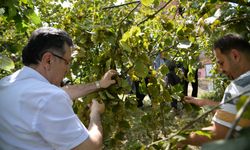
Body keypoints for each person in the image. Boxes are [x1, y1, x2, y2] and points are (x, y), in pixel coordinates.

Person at [0, 27, 118, 150]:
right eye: (66, 62)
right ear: (48, 60)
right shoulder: (49, 97)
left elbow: (64, 92)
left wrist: (99, 84)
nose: (67, 70)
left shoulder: (6, 84)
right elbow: (90, 146)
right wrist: (95, 114)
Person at [179, 33, 250, 147]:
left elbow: (219, 133)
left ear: (235, 56)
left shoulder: (238, 87)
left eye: (221, 63)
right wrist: (205, 103)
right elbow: (237, 112)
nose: (221, 69)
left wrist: (181, 138)